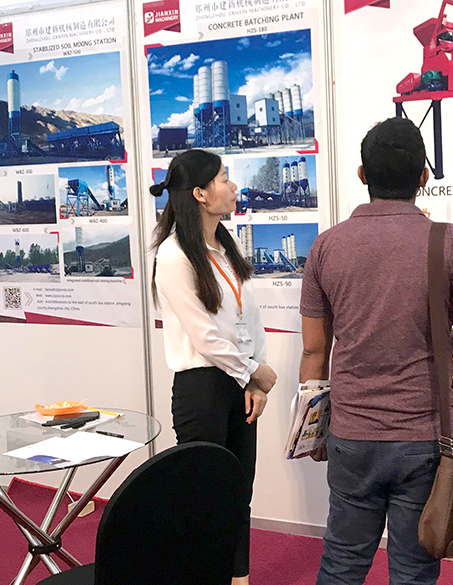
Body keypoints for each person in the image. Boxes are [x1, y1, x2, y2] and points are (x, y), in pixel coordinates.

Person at [299, 117, 453, 585]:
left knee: (341, 564)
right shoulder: (450, 242)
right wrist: (450, 342)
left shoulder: (326, 246)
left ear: (362, 174)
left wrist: (311, 432)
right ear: (423, 177)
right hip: (425, 439)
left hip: (351, 435)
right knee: (414, 570)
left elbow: (314, 353)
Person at [151, 149, 277, 585]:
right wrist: (253, 372)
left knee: (239, 493)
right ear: (201, 194)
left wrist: (256, 377)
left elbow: (249, 317)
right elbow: (204, 336)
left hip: (239, 382)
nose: (234, 186)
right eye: (224, 178)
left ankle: (239, 579)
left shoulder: (226, 246)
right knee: (204, 498)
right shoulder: (173, 255)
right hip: (202, 388)